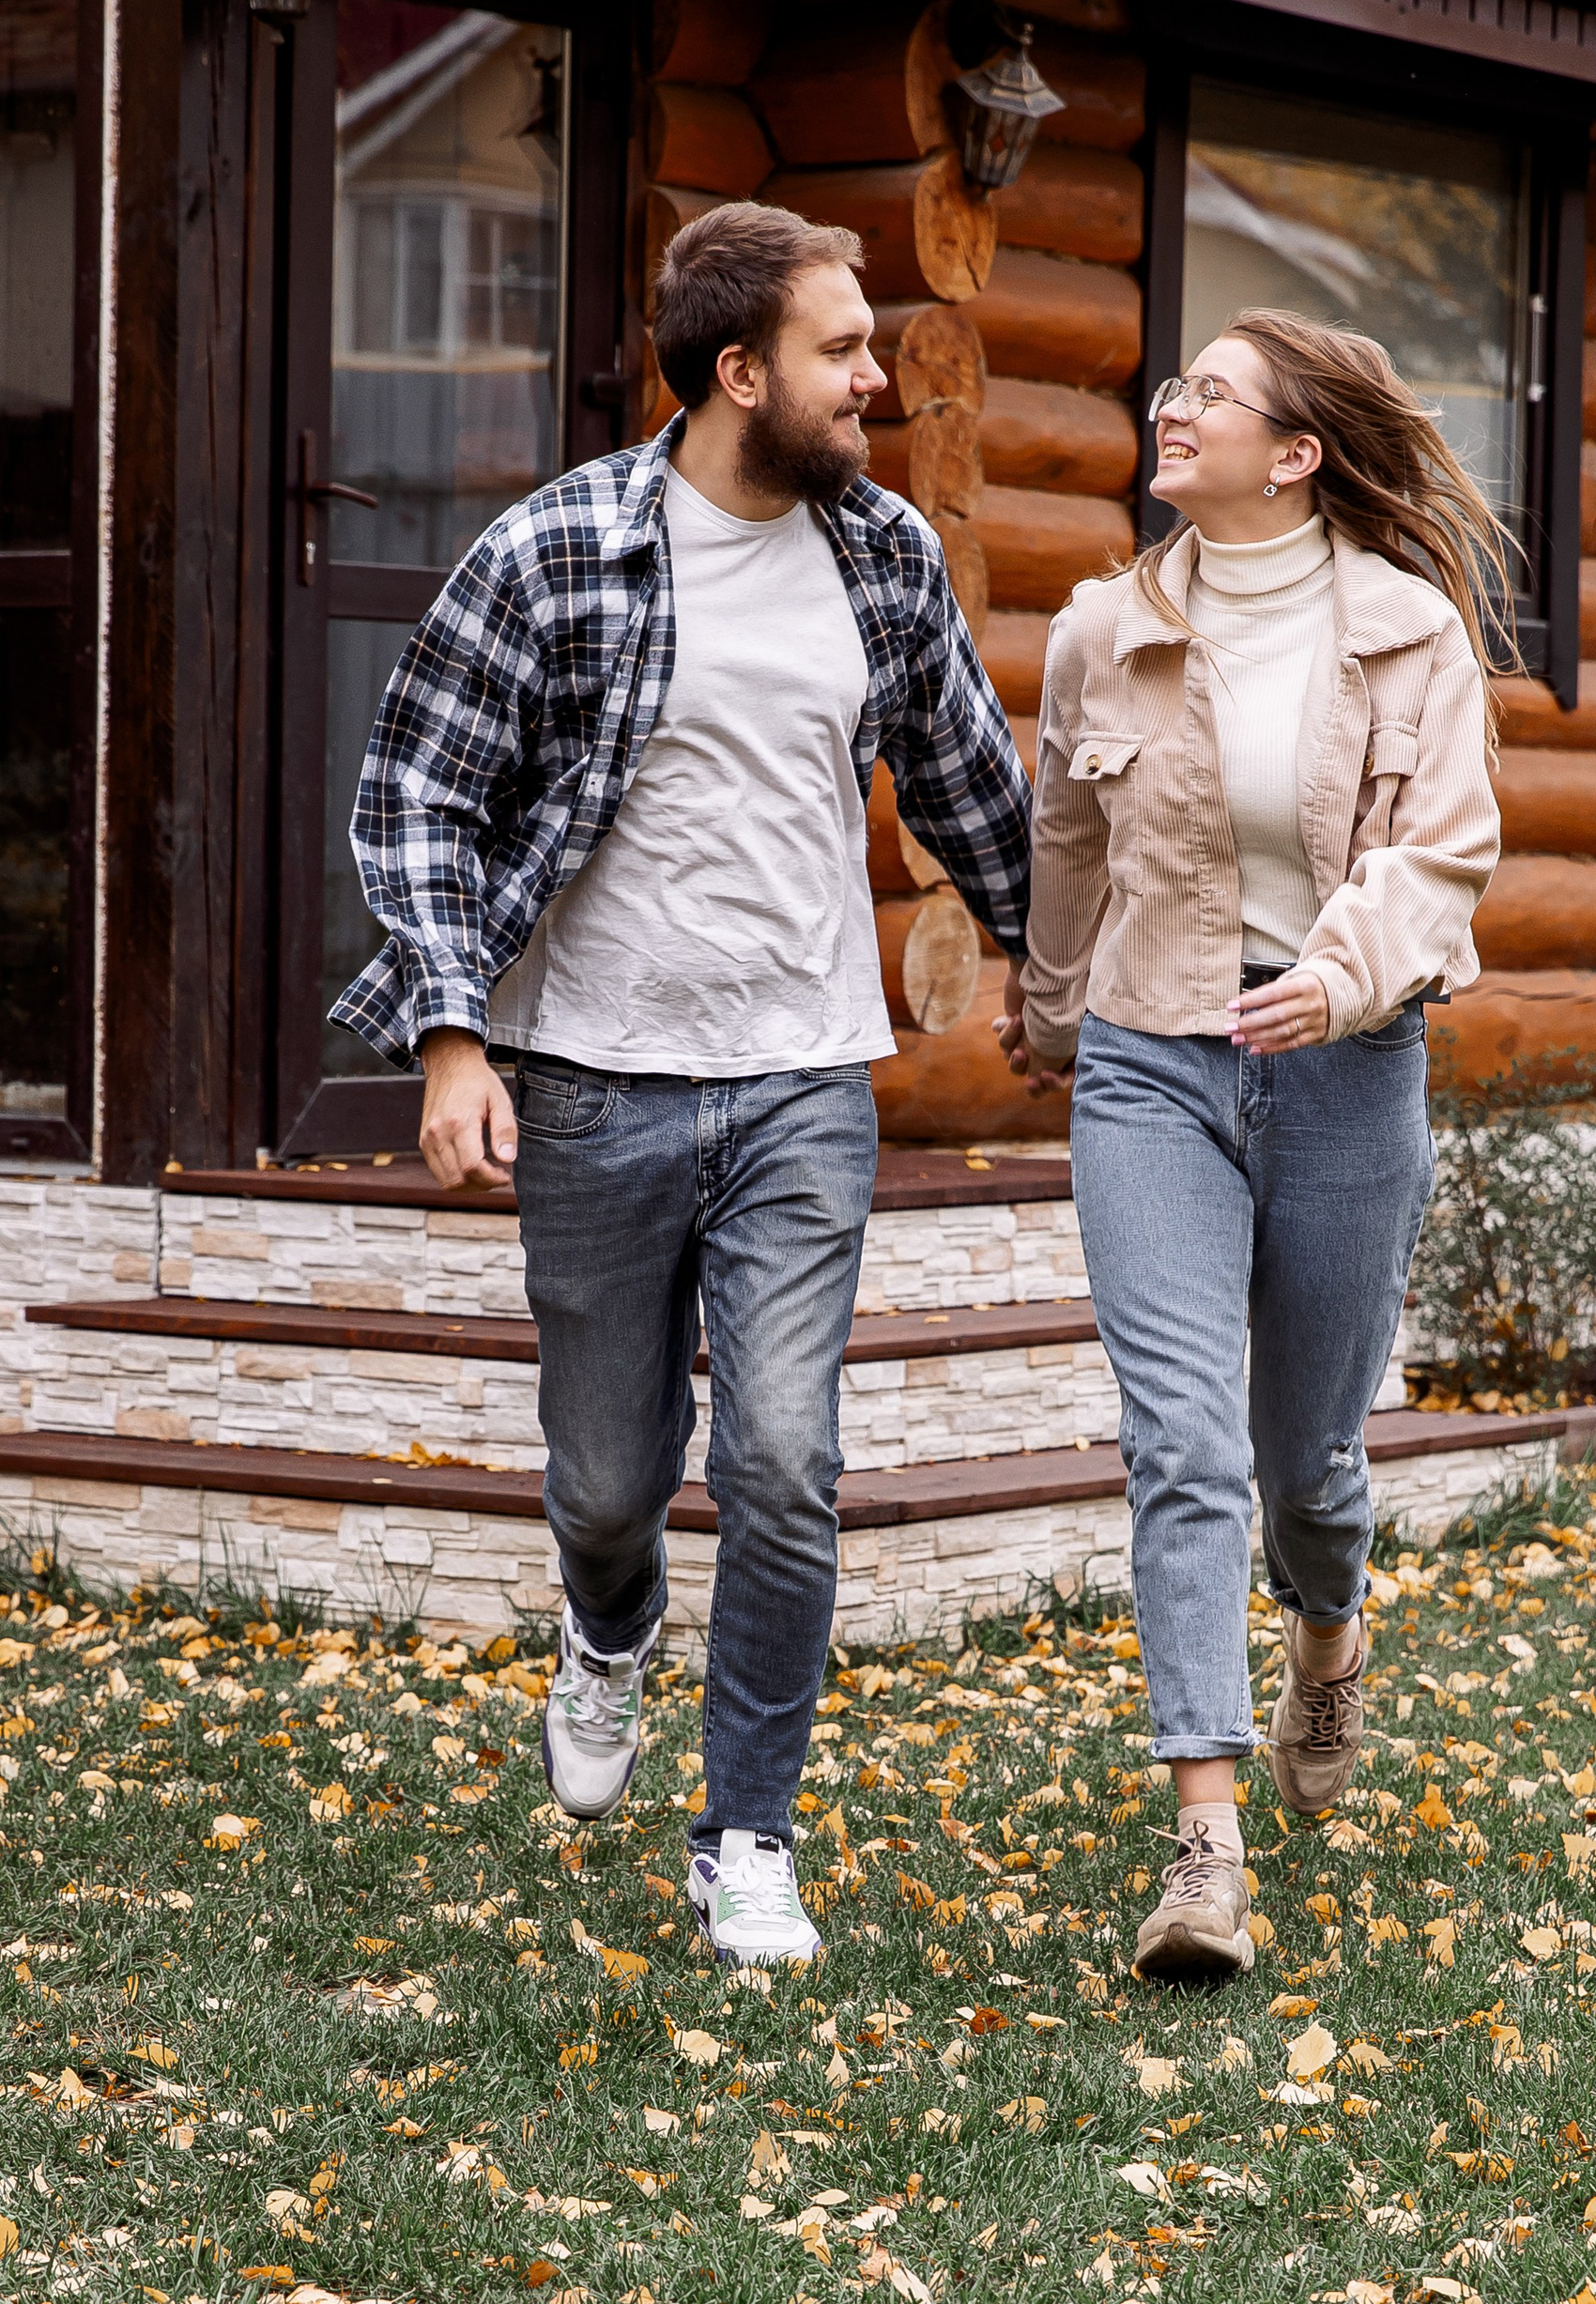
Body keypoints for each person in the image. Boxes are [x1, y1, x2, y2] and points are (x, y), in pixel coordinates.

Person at [333, 203, 1033, 1969]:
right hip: (595, 1081)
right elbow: (418, 793)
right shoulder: (557, 551)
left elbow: (970, 784)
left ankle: (749, 1842)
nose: (880, 374)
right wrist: (450, 1035)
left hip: (805, 1078)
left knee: (789, 1461)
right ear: (741, 374)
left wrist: (1064, 968)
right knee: (606, 1481)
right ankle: (606, 1619)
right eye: (844, 349)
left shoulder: (883, 555)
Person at [998, 308, 1504, 1982]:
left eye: (1208, 392)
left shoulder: (1407, 633)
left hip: (1347, 1068)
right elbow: (1065, 844)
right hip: (1153, 1067)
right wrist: (1055, 1015)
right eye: (1170, 384)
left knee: (1309, 1466)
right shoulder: (1102, 628)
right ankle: (1204, 1843)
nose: (1171, 404)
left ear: (1293, 453)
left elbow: (1442, 854)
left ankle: (1328, 1636)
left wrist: (1342, 982)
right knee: (1182, 1444)